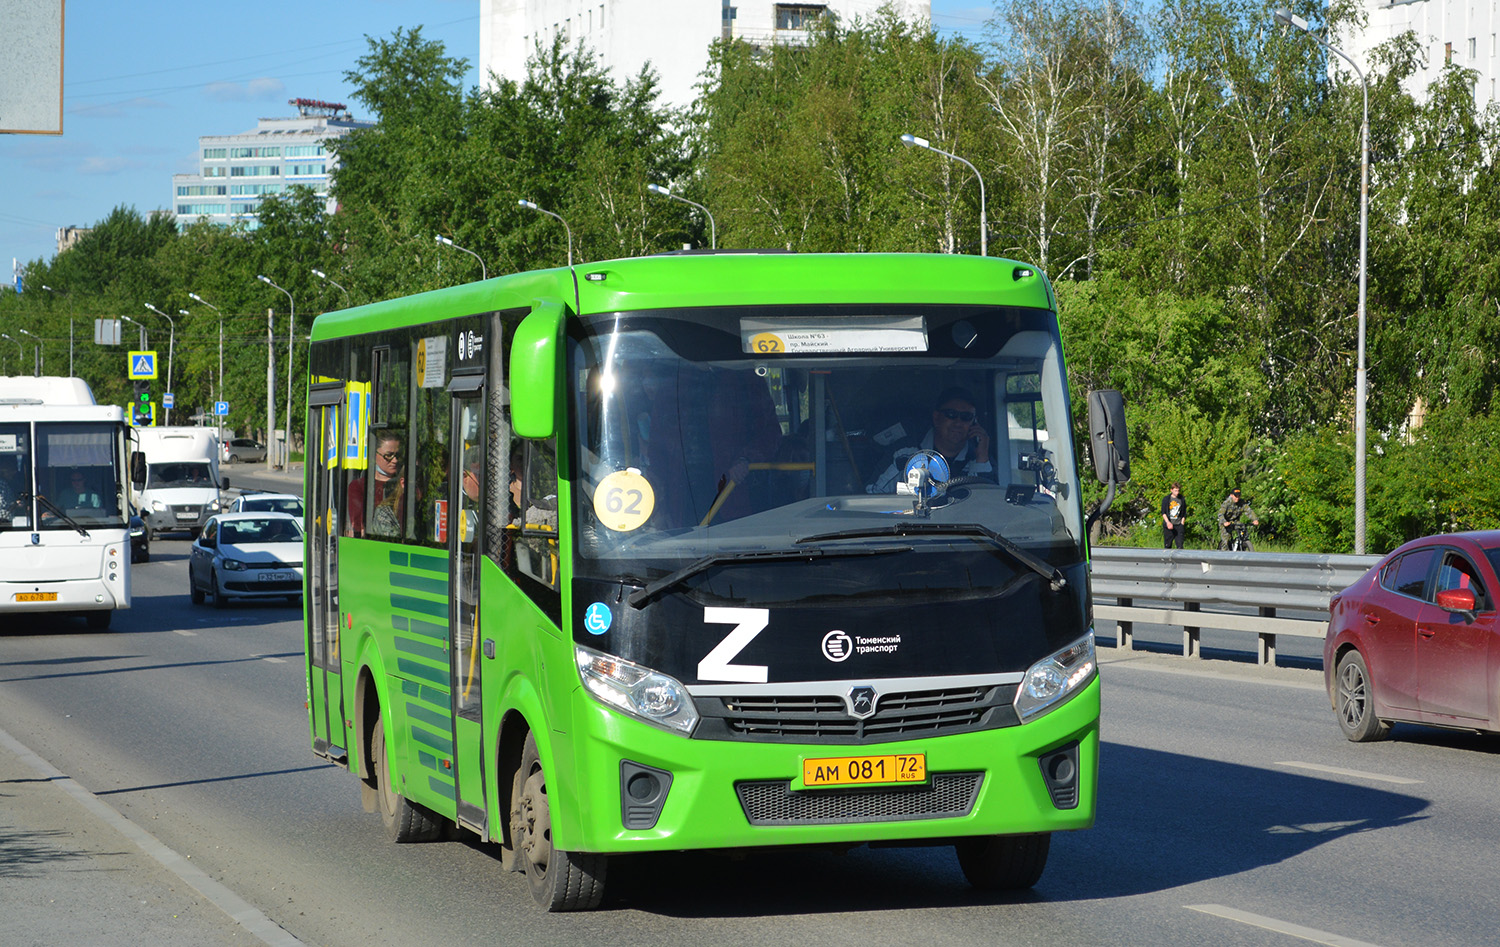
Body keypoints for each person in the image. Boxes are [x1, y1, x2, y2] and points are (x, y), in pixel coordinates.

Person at [868, 386, 993, 494]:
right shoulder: (904, 453)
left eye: (966, 417)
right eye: (951, 414)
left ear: (974, 422)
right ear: (936, 417)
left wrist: (981, 459)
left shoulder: (980, 458)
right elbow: (872, 494)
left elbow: (990, 505)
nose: (958, 423)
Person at [347, 432, 402, 537]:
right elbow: (359, 525)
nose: (395, 460)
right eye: (389, 455)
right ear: (374, 455)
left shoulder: (406, 483)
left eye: (398, 455)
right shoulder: (359, 486)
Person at [1161, 482, 1187, 549]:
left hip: (1178, 524)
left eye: (1178, 490)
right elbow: (1163, 512)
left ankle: (1180, 559)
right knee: (1168, 545)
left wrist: (1182, 523)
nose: (1177, 492)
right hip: (1169, 524)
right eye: (1175, 490)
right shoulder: (1166, 499)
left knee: (1180, 545)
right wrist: (1168, 522)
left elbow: (1184, 511)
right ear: (1171, 490)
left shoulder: (1181, 499)